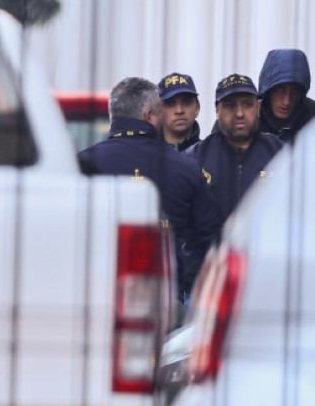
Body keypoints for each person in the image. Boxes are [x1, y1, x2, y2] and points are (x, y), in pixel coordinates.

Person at [78, 77, 222, 300]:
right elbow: (210, 244)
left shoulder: (82, 166)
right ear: (150, 116)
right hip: (164, 302)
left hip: (94, 296)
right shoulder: (187, 168)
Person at [185, 74, 283, 221]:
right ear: (217, 110)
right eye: (230, 105)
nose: (239, 113)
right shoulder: (195, 158)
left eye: (247, 104)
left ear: (258, 107)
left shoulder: (280, 153)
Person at [257, 48, 315, 144]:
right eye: (280, 90)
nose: (286, 101)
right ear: (269, 90)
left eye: (295, 91)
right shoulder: (249, 116)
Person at [158, 72, 201, 151]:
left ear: (197, 108)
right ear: (158, 110)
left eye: (186, 102)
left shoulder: (210, 154)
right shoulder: (146, 154)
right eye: (170, 103)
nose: (179, 110)